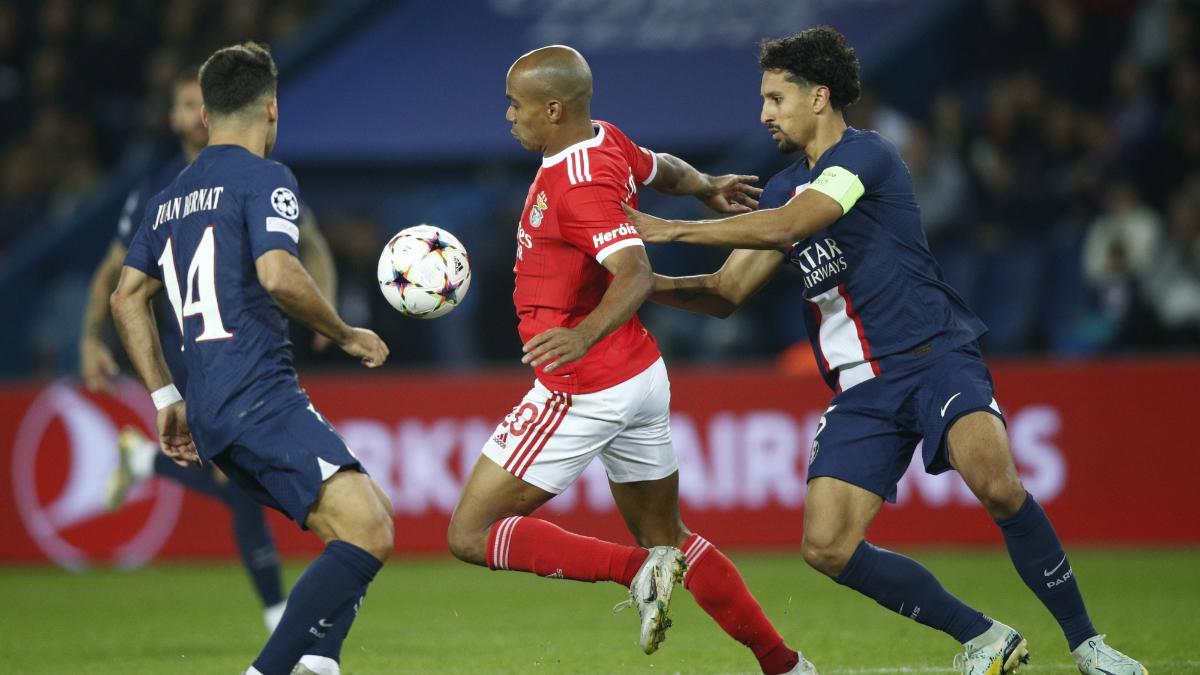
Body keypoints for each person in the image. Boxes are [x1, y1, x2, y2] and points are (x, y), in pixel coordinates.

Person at [623, 27, 1146, 675]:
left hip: (933, 356)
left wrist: (666, 227)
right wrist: (644, 281)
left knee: (998, 483)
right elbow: (727, 292)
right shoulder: (785, 188)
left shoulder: (867, 157)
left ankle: (1088, 644)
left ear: (818, 97)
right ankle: (985, 635)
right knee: (827, 545)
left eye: (775, 98)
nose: (763, 114)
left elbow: (796, 224)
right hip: (861, 390)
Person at [446, 45, 816, 675]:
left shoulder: (577, 186)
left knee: (471, 534)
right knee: (669, 535)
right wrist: (705, 186)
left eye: (517, 105)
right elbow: (660, 167)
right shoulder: (603, 141)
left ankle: (636, 573)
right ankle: (784, 664)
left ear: (553, 108)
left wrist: (581, 335)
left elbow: (635, 274)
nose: (508, 116)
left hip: (584, 383)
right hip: (639, 375)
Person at [109, 42, 393, 675]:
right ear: (272, 109)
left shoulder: (168, 200)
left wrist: (165, 399)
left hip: (211, 408)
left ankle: (319, 665)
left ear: (206, 116)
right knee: (370, 532)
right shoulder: (268, 178)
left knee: (366, 517)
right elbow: (279, 274)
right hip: (259, 394)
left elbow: (125, 299)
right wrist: (346, 333)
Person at [79, 66, 335, 635]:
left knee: (235, 481)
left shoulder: (254, 178)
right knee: (243, 481)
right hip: (194, 351)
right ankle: (282, 624)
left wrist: (326, 304)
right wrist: (89, 338)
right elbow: (116, 282)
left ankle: (144, 462)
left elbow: (307, 243)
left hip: (241, 352)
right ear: (184, 117)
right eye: (188, 103)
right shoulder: (161, 189)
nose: (200, 113)